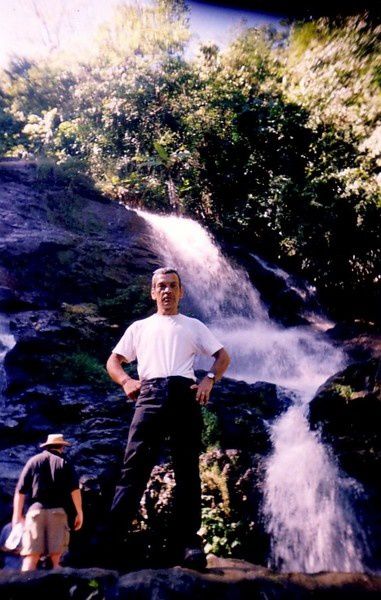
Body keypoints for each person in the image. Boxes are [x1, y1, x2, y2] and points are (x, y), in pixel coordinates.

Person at [106, 267, 230, 569]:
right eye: (161, 286)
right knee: (133, 470)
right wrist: (126, 381)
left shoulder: (193, 325)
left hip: (182, 394)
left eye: (173, 286)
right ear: (152, 292)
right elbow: (113, 361)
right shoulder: (139, 327)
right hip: (148, 394)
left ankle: (188, 545)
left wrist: (209, 380)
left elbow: (222, 356)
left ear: (181, 292)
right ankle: (110, 544)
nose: (167, 291)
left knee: (187, 471)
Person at [11, 433, 83, 572]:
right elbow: (75, 490)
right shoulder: (65, 463)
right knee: (56, 559)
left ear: (47, 446)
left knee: (31, 557)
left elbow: (20, 491)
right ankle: (57, 592)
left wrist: (17, 516)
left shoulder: (33, 461)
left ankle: (20, 591)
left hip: (35, 512)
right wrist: (79, 513)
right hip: (58, 513)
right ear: (62, 447)